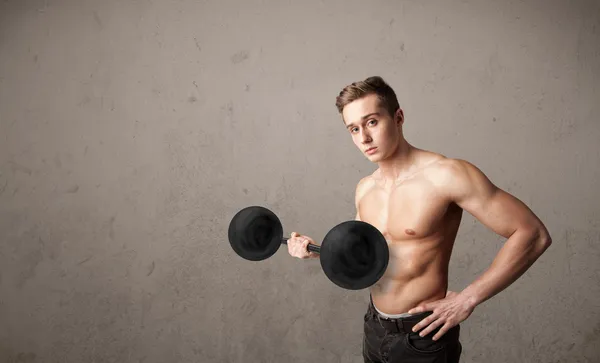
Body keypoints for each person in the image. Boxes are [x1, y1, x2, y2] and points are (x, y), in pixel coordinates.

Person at [286, 76, 552, 362]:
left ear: (398, 117)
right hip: (374, 329)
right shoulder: (365, 188)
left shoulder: (446, 175)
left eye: (372, 122)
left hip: (424, 336)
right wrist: (318, 251)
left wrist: (468, 298)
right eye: (354, 128)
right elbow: (368, 257)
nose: (364, 138)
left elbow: (532, 234)